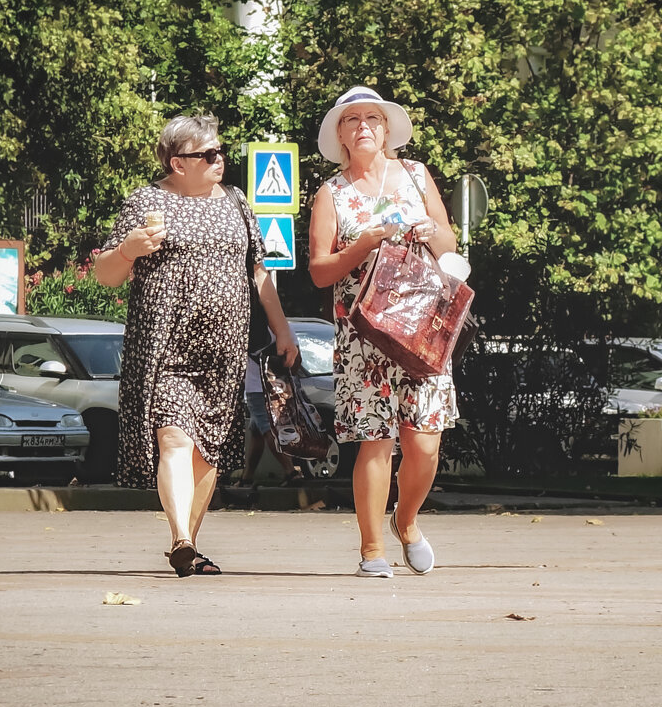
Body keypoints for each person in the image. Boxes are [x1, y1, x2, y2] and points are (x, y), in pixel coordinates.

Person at [93, 113, 298, 577]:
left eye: (220, 151)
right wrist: (128, 250)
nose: (219, 160)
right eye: (206, 155)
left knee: (209, 450)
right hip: (165, 343)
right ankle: (182, 539)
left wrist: (281, 329)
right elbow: (106, 275)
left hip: (224, 347)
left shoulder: (236, 201)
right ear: (176, 161)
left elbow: (259, 271)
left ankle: (186, 545)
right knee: (174, 438)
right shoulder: (146, 201)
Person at [307, 86, 458, 577]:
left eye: (373, 118)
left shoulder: (415, 175)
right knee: (374, 440)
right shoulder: (332, 193)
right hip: (363, 334)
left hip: (422, 325)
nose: (364, 126)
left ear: (387, 129)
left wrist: (427, 233)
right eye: (352, 120)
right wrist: (365, 243)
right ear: (341, 135)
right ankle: (372, 549)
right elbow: (320, 271)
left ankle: (406, 521)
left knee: (425, 441)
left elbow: (448, 239)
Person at [232, 350, 304, 489]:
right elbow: (296, 356)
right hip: (279, 383)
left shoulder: (253, 329)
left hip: (256, 386)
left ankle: (290, 472)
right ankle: (247, 477)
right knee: (257, 430)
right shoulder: (283, 330)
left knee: (266, 427)